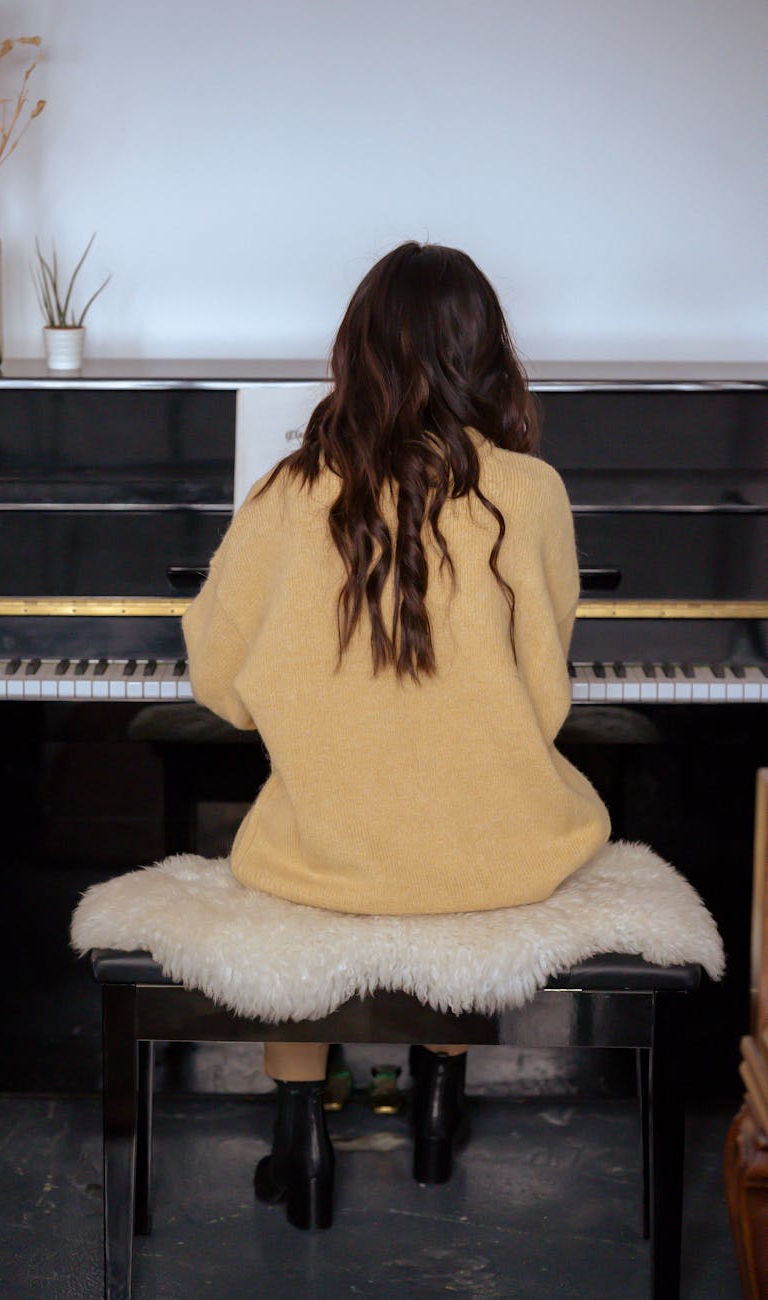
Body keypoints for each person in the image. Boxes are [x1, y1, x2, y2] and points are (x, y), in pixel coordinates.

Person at [180, 241, 611, 1230]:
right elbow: (547, 702)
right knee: (468, 825)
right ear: (487, 356)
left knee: (295, 832)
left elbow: (219, 682)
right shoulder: (533, 491)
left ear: (355, 350)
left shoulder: (291, 492)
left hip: (324, 858)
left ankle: (301, 1126)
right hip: (501, 859)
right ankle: (435, 1103)